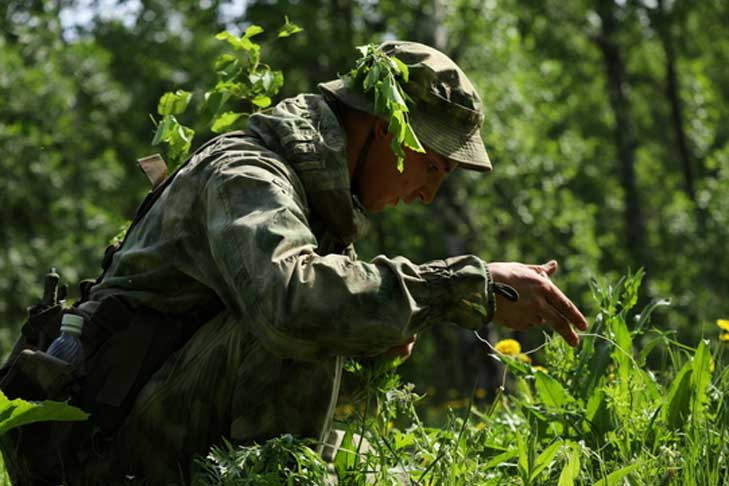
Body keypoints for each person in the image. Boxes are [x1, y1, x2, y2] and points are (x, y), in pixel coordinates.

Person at [3, 40, 587, 485]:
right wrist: (464, 285)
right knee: (304, 319)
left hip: (143, 428)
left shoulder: (313, 206)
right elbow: (293, 305)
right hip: (93, 456)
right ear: (387, 129)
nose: (428, 193)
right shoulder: (247, 174)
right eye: (433, 166)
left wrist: (373, 340)